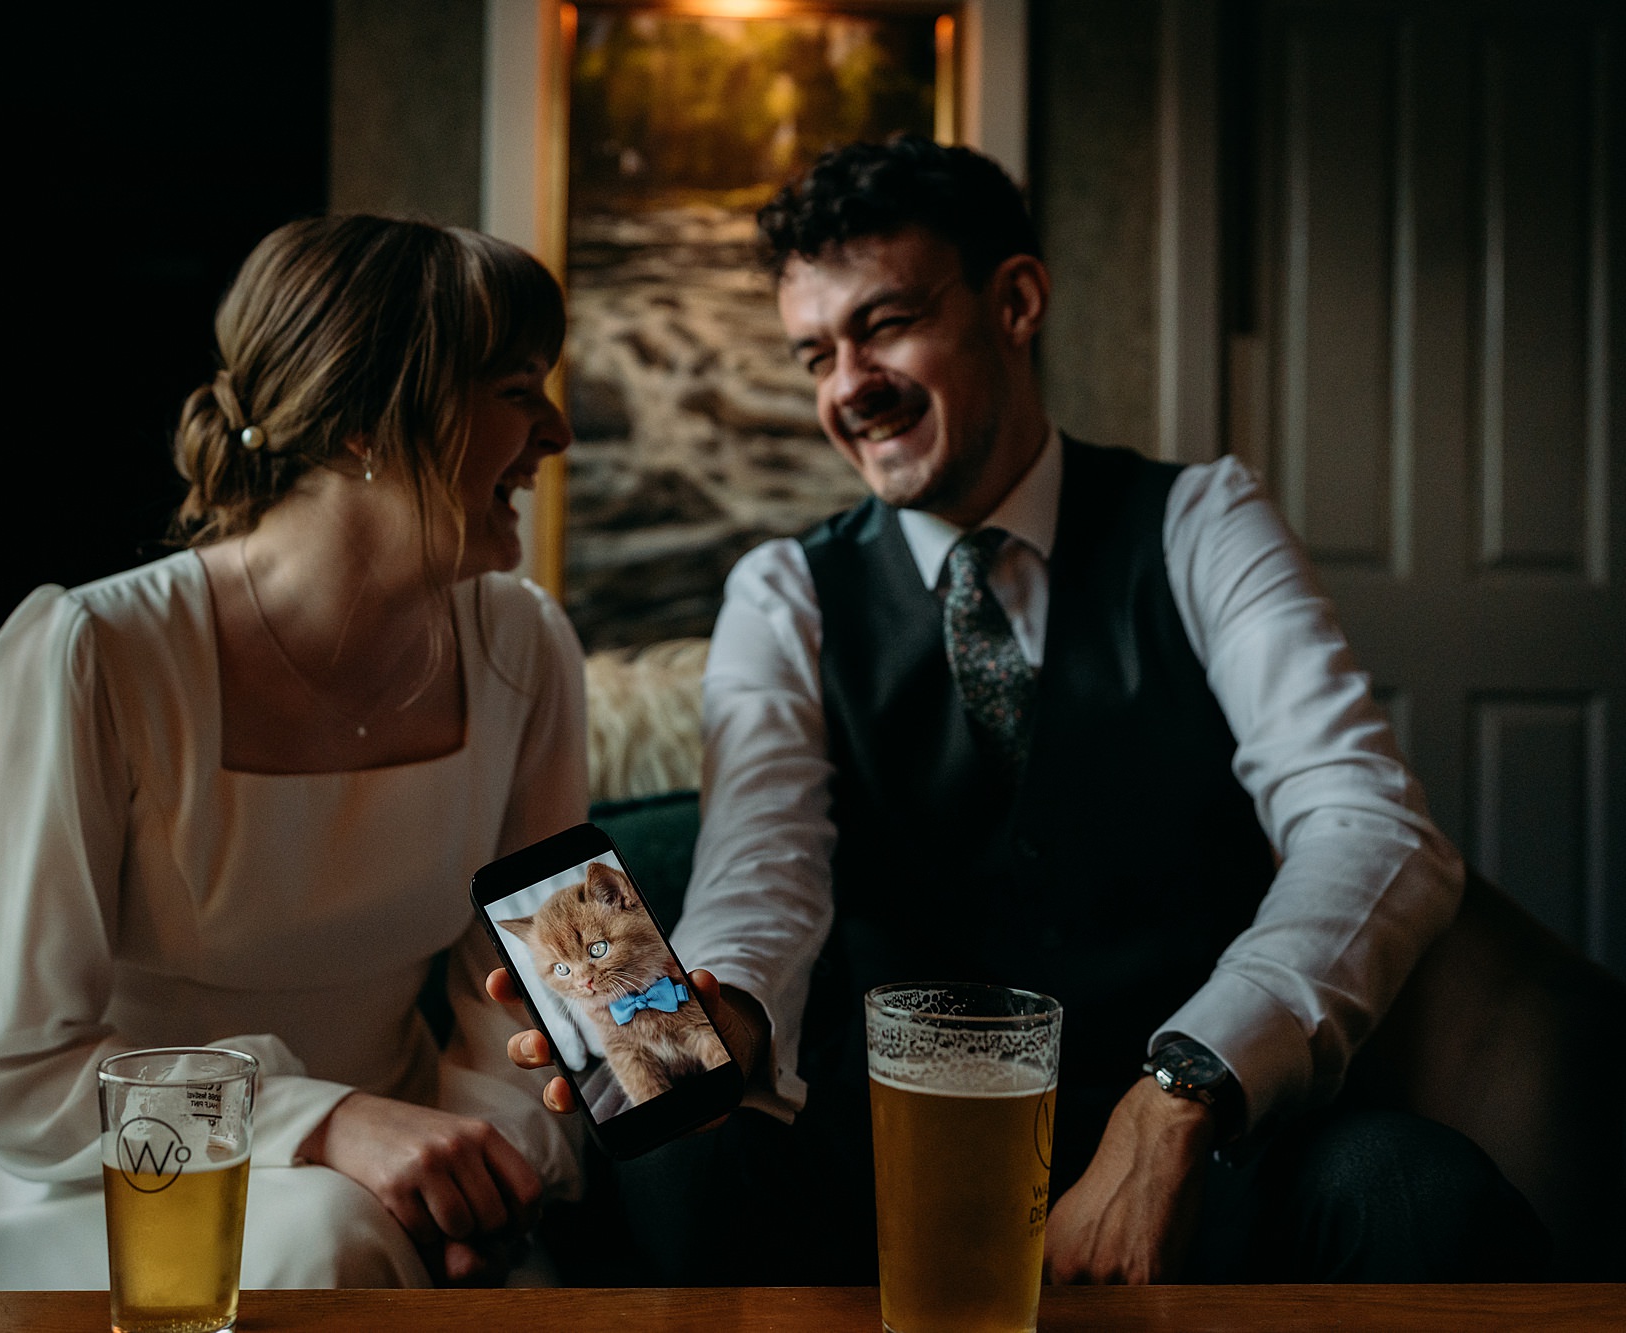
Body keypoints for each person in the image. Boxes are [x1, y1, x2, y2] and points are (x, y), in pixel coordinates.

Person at [492, 136, 1547, 1285]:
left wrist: (1186, 1083)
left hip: (1197, 1136)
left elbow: (1365, 823)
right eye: (815, 355)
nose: (848, 386)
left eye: (885, 325)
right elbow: (763, 866)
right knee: (680, 1157)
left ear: (1015, 301)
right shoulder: (781, 591)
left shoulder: (1202, 523)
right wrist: (726, 1018)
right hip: (888, 1144)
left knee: (1415, 1194)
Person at [0, 215, 585, 1291]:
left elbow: (555, 983)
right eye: (518, 390)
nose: (557, 429)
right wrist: (327, 1123)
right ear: (364, 424)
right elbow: (10, 1064)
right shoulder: (92, 652)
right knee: (322, 1244)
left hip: (405, 1174)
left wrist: (484, 1175)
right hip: (99, 1172)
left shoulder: (528, 644)